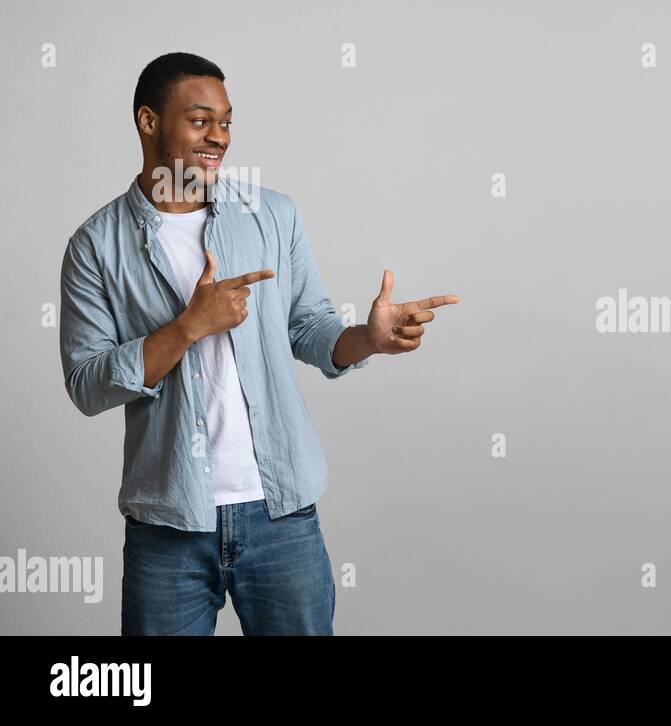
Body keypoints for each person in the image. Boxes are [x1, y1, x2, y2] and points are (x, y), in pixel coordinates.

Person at [58, 52, 459, 635]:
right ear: (148, 121)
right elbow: (87, 385)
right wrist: (188, 326)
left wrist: (367, 340)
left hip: (282, 518)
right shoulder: (96, 245)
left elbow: (311, 330)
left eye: (226, 121)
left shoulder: (273, 216)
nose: (218, 137)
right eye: (200, 121)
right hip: (168, 526)